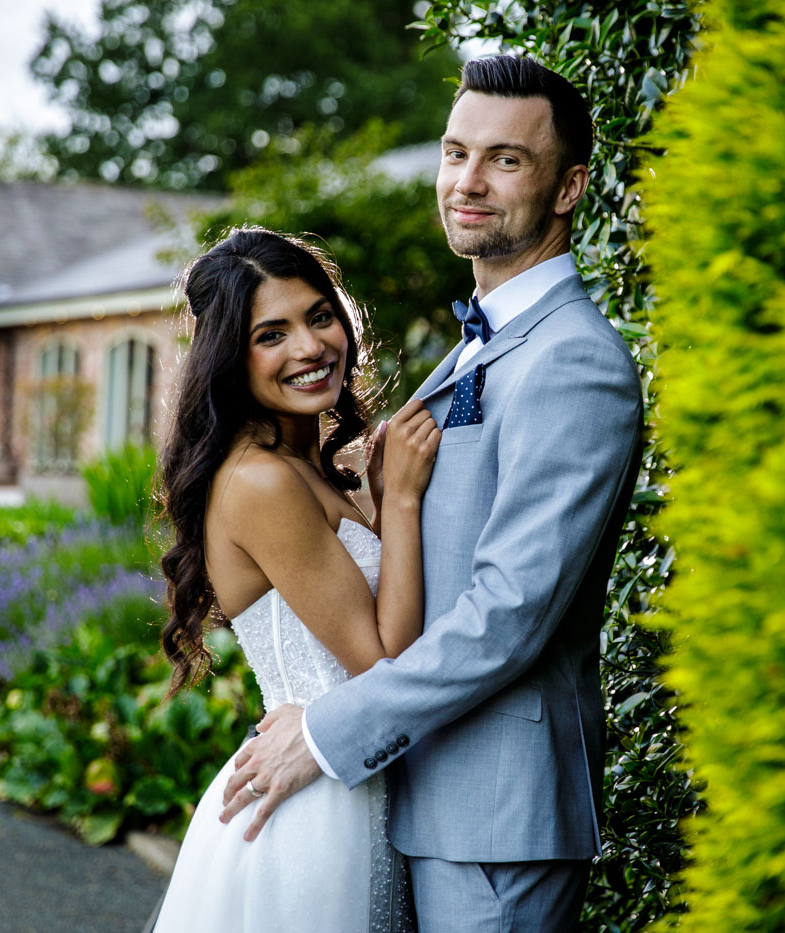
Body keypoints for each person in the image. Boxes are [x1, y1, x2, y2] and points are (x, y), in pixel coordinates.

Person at [222, 55, 644, 931]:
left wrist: (331, 728)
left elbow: (508, 613)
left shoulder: (572, 361)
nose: (469, 181)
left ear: (568, 188)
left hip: (497, 815)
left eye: (506, 160)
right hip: (418, 799)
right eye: (456, 154)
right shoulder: (479, 348)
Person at [151, 227, 438, 931]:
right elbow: (382, 665)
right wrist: (399, 502)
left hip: (354, 784)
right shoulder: (261, 480)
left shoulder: (315, 468)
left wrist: (374, 494)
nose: (310, 348)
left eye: (318, 316)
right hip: (314, 814)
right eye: (271, 334)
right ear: (230, 359)